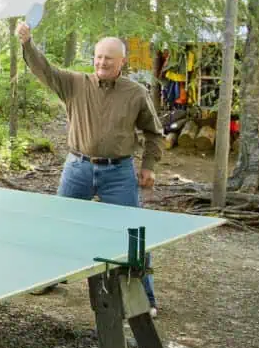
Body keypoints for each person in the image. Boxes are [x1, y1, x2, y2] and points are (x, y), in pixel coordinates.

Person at [16, 22, 163, 317]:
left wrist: (148, 166)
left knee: (132, 233)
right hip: (78, 168)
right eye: (98, 57)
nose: (102, 62)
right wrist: (27, 43)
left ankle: (145, 297)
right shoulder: (74, 83)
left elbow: (154, 132)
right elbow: (44, 69)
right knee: (58, 224)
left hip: (119, 172)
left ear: (122, 62)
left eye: (109, 58)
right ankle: (48, 277)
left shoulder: (135, 93)